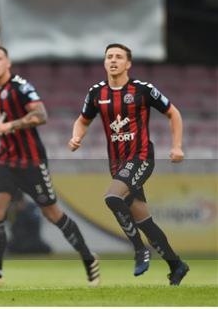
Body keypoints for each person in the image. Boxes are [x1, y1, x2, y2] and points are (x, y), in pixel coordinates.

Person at [0, 46, 100, 287]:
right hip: (5, 160)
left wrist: (11, 126)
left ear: (9, 63)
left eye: (0, 59)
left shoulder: (21, 87)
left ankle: (88, 257)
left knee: (52, 214)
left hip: (31, 161)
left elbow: (41, 115)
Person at [68, 43, 189, 286]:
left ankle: (139, 249)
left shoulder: (142, 90)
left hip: (141, 157)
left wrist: (177, 146)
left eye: (118, 57)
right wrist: (76, 136)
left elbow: (173, 113)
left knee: (112, 197)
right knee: (144, 220)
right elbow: (82, 120)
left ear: (128, 64)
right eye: (109, 57)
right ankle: (176, 265)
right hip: (117, 163)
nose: (113, 60)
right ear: (104, 63)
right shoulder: (96, 93)